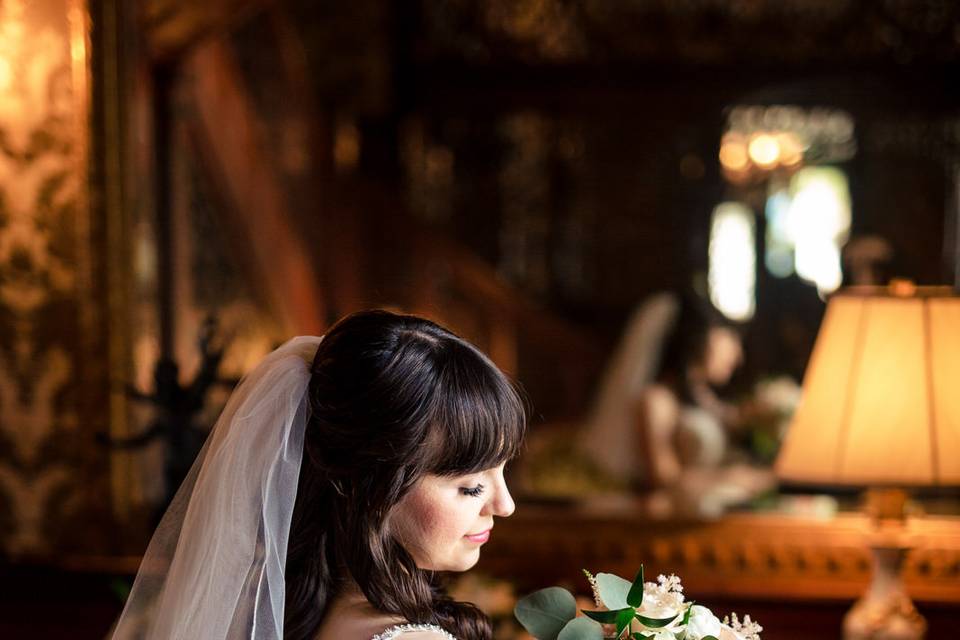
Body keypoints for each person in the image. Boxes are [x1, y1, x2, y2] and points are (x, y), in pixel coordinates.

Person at [111, 310, 526, 640]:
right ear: (366, 484)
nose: (504, 505)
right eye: (470, 487)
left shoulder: (297, 614)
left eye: (503, 469)